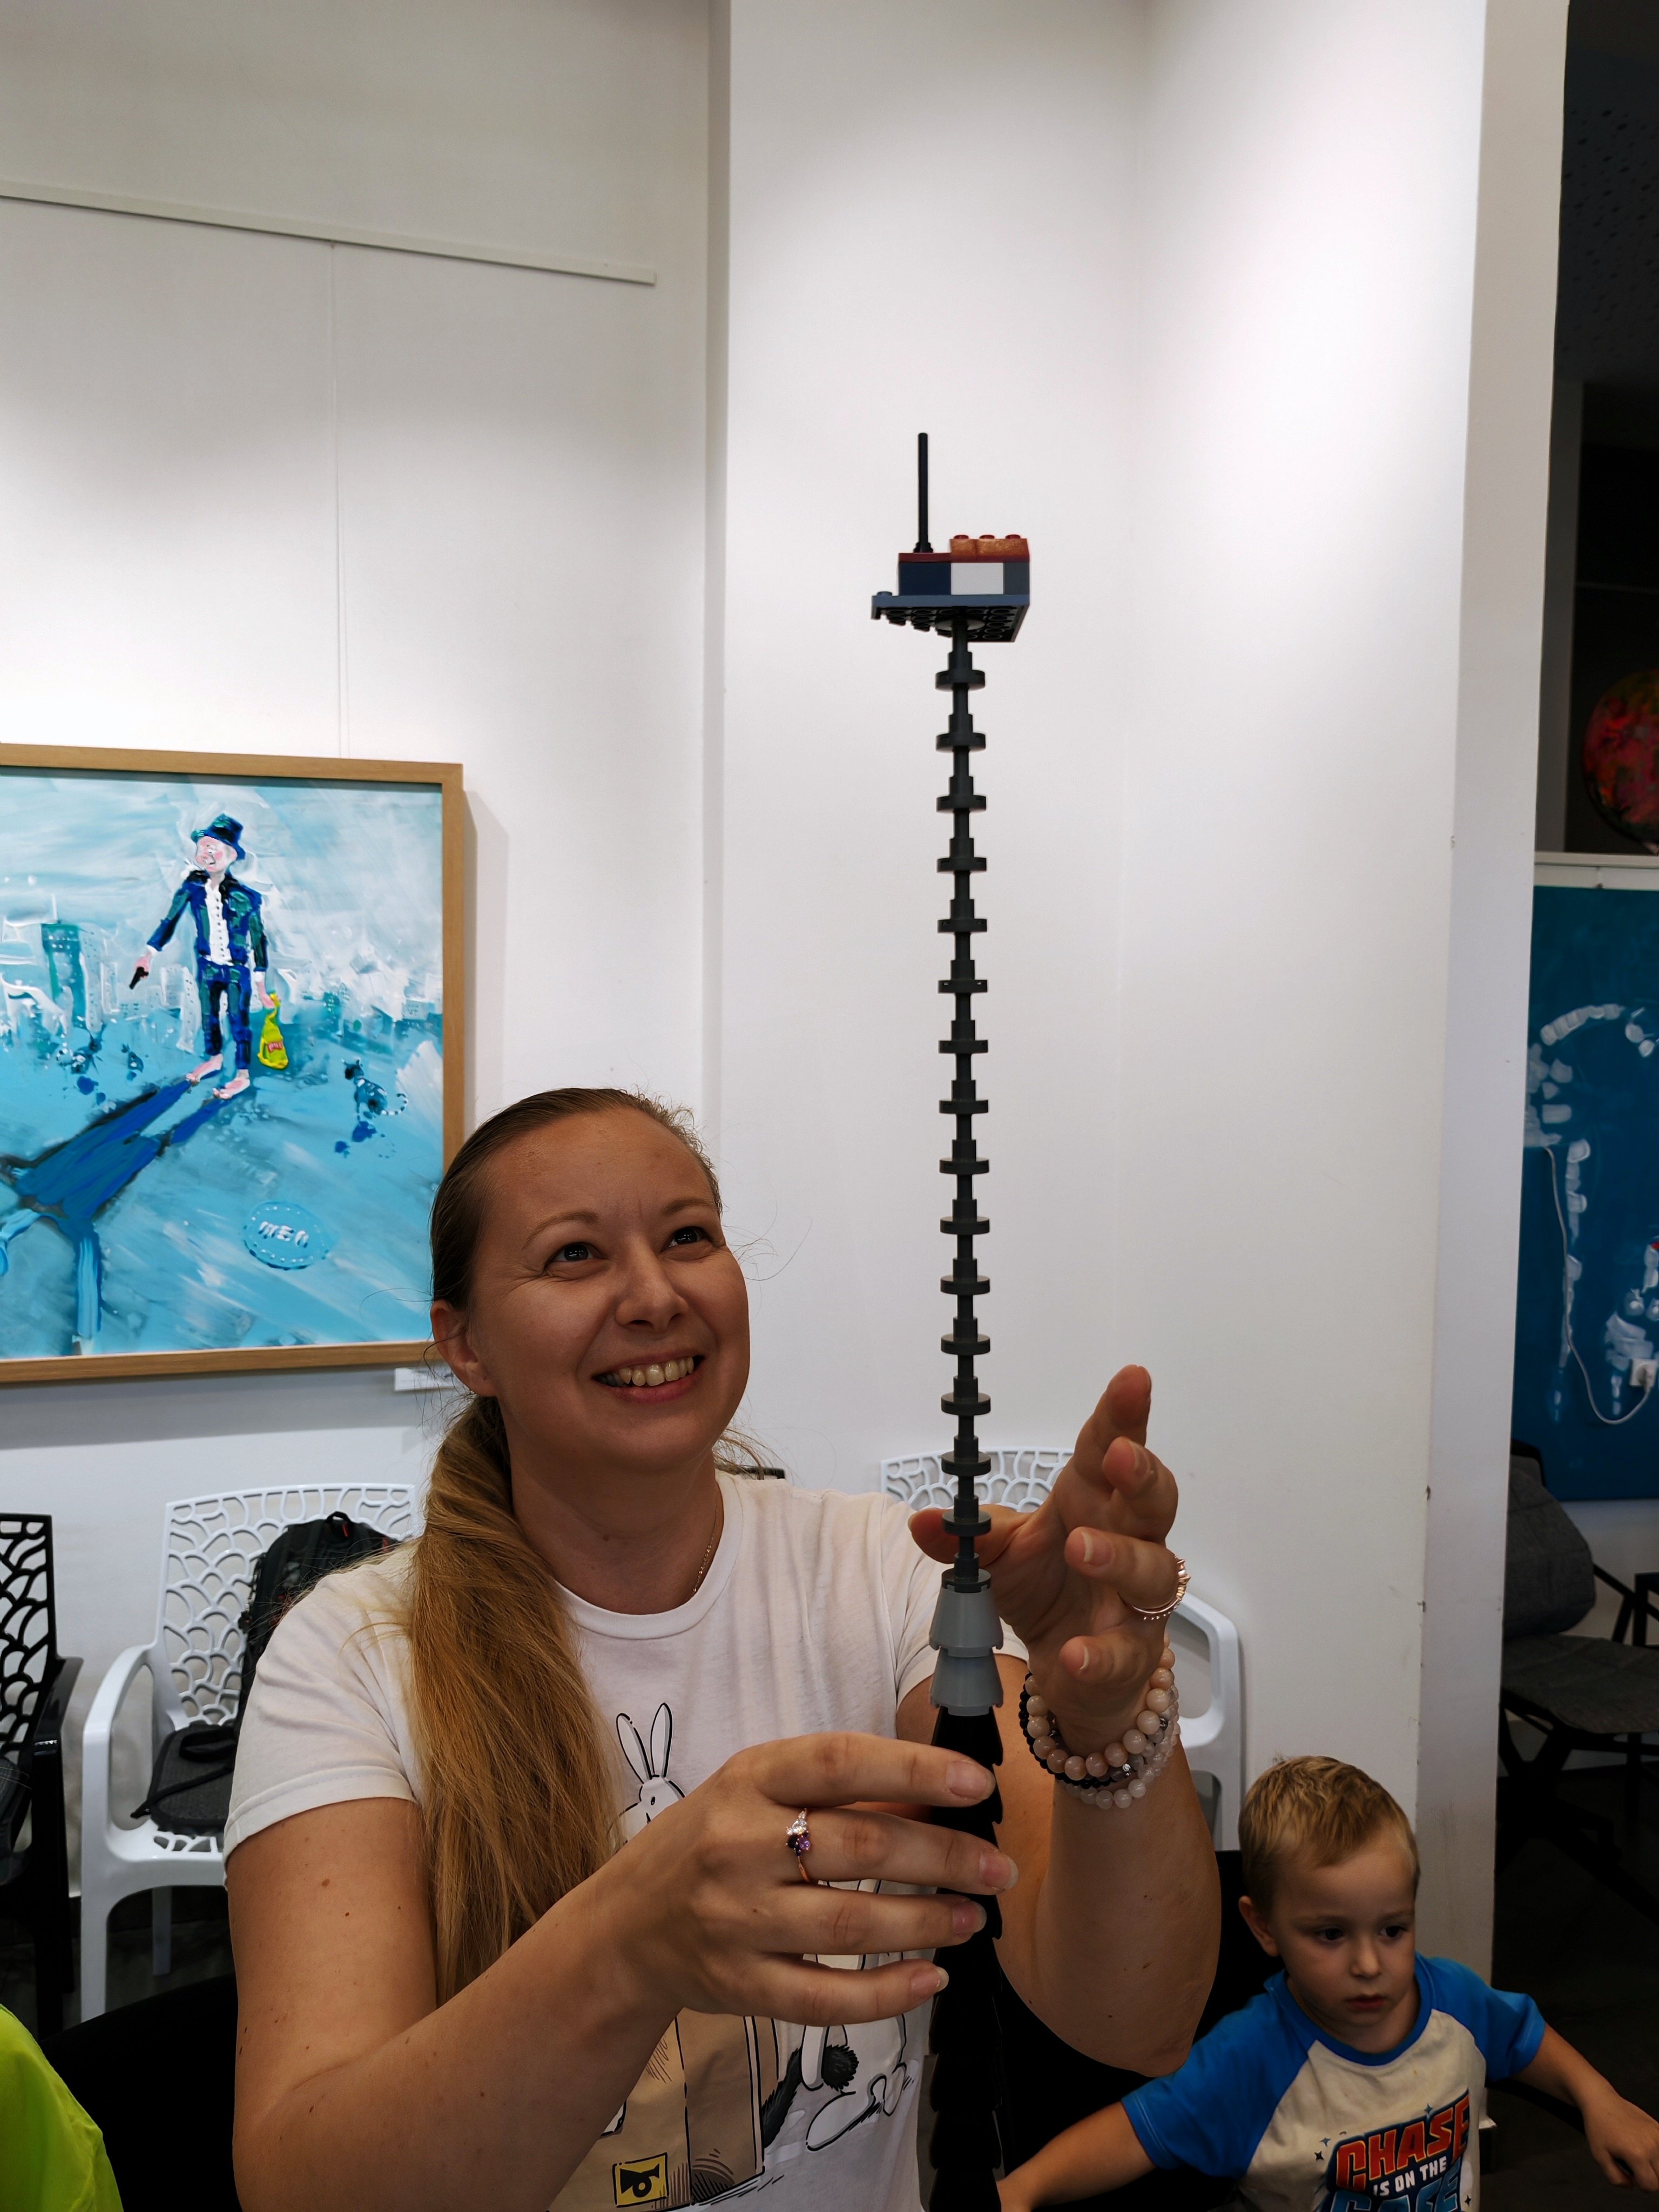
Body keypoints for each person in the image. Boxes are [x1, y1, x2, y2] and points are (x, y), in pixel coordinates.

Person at [225, 1086, 1220, 2212]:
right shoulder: (350, 1658)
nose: (655, 1295)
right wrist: (631, 1940)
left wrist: (1106, 1723)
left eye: (688, 1235)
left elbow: (1136, 2018)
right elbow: (305, 2182)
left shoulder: (880, 1570)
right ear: (466, 1343)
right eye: (574, 1254)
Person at [997, 1755, 1659, 2211]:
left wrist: (1600, 2099)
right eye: (1332, 1935)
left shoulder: (1455, 1998)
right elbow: (1139, 2131)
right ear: (1264, 1927)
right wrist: (1023, 2189)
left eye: (1393, 1929)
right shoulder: (1253, 2055)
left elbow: (1524, 2036)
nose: (1370, 1963)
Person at [133, 812, 272, 1099]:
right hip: (207, 966)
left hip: (236, 969)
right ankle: (214, 1058)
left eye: (214, 847)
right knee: (209, 1015)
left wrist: (261, 984)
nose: (207, 853)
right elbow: (170, 921)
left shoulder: (247, 898)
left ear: (231, 855)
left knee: (238, 1018)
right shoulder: (192, 887)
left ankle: (243, 1075)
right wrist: (148, 955)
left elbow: (259, 939)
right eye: (203, 847)